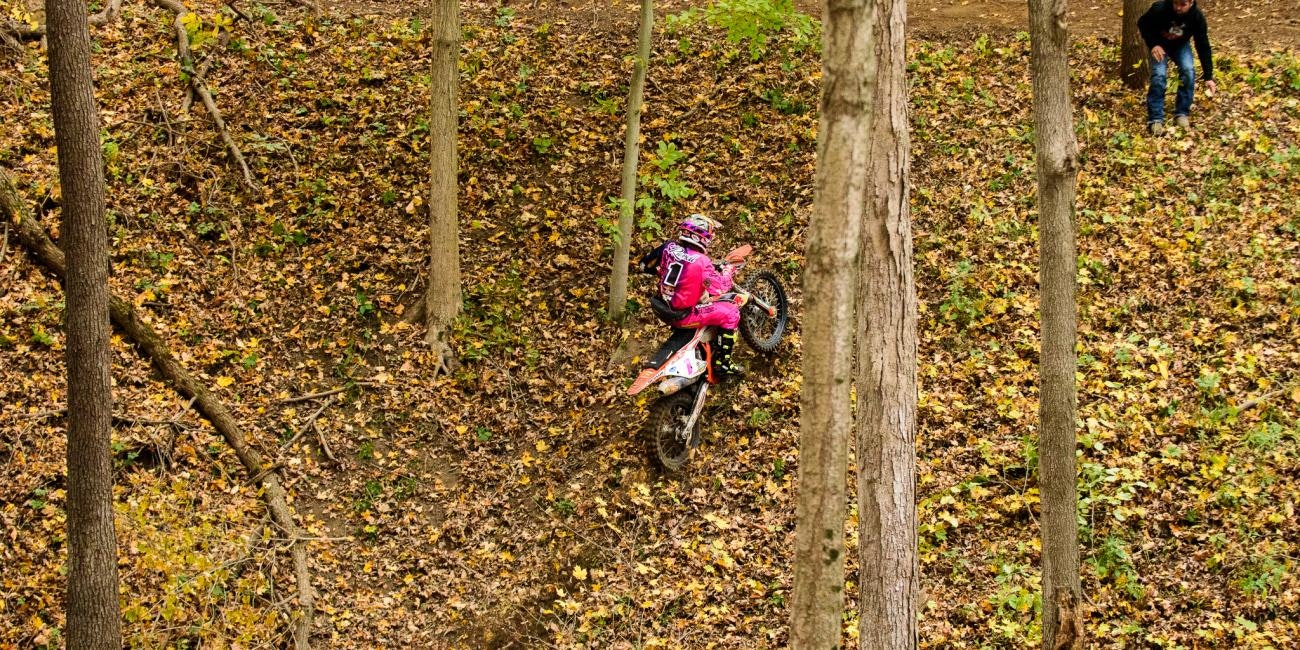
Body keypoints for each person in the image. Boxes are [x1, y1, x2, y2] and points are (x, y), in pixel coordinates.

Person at [638, 214, 744, 380]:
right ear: (701, 237)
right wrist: (728, 270)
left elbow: (644, 265)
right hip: (683, 315)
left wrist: (661, 273)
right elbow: (721, 287)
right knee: (731, 312)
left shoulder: (668, 247)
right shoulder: (702, 262)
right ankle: (724, 364)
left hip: (662, 307)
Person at [1138, 0, 1216, 136]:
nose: (1178, 8)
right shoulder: (1160, 9)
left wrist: (1208, 76)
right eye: (1176, 4)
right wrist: (1153, 44)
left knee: (1188, 71)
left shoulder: (1197, 18)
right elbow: (1143, 23)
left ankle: (1182, 113)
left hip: (1180, 46)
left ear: (1191, 3)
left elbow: (1203, 45)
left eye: (1183, 4)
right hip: (1159, 46)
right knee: (1159, 75)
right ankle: (1155, 118)